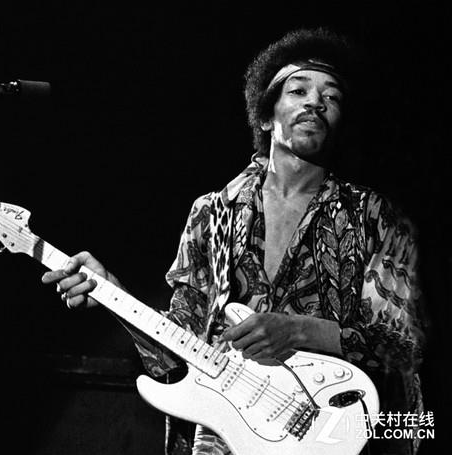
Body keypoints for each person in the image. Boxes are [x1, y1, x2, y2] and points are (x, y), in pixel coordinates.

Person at [42, 28, 426, 455]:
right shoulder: (212, 212)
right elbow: (177, 351)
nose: (315, 102)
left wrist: (300, 331)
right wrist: (115, 296)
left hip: (330, 438)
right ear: (265, 116)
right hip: (224, 442)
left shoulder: (374, 215)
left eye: (331, 97)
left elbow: (403, 346)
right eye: (298, 90)